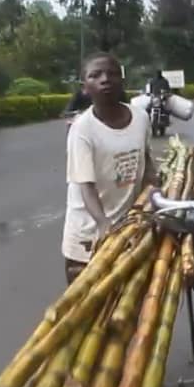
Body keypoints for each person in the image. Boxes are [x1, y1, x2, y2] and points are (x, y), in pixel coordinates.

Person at [62, 53, 158, 285]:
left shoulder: (141, 118)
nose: (105, 79)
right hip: (89, 237)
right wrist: (104, 224)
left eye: (112, 73)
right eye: (95, 76)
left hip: (128, 232)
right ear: (85, 87)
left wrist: (156, 195)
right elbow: (86, 186)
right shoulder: (82, 129)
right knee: (86, 314)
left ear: (121, 80)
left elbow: (146, 165)